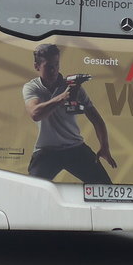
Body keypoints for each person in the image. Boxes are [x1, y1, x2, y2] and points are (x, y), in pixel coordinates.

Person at [22, 43, 116, 183]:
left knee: (106, 188)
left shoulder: (73, 86)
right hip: (46, 151)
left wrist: (104, 146)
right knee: (33, 192)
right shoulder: (32, 87)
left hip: (75, 148)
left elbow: (96, 118)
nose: (54, 70)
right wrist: (61, 98)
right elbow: (35, 114)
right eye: (49, 66)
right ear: (37, 67)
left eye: (57, 65)